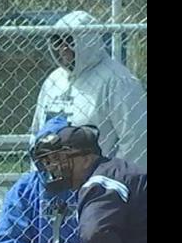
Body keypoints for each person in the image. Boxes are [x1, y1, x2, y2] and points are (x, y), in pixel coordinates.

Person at [31, 10, 147, 169]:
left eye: (70, 41)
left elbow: (136, 140)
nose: (63, 49)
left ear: (88, 41)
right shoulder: (53, 81)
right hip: (54, 177)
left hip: (97, 182)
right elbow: (37, 131)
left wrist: (112, 180)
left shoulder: (118, 80)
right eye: (57, 42)